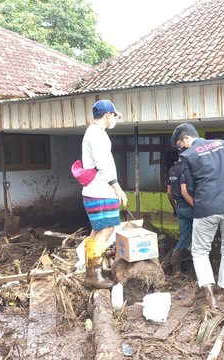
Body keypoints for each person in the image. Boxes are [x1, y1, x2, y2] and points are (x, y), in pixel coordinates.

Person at [171, 123, 224, 312]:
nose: (181, 149)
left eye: (180, 145)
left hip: (206, 209)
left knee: (200, 251)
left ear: (185, 138)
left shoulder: (188, 156)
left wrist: (200, 202)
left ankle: (208, 291)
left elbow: (189, 188)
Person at [81, 99, 128, 289]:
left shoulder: (92, 133)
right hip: (100, 190)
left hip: (93, 190)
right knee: (107, 229)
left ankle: (91, 271)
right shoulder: (98, 135)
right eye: (114, 115)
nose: (114, 119)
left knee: (97, 230)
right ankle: (94, 275)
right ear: (108, 115)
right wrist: (117, 188)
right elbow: (103, 164)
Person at [165, 154, 194, 275]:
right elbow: (184, 192)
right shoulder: (185, 168)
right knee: (209, 230)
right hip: (189, 207)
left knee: (184, 238)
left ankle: (175, 267)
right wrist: (196, 206)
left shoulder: (171, 170)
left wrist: (174, 208)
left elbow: (169, 193)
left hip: (179, 208)